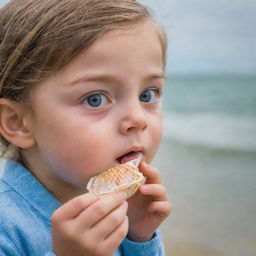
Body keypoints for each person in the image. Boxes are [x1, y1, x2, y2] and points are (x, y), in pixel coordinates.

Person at [0, 0, 172, 255]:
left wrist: (138, 240)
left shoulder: (124, 212)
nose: (138, 119)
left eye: (147, 95)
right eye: (96, 99)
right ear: (18, 123)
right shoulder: (8, 226)